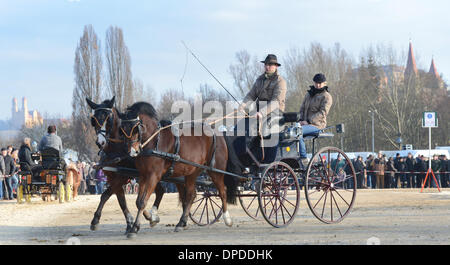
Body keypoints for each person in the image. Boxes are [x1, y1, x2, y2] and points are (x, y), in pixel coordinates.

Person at [233, 54, 287, 168]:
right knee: (238, 128)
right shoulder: (260, 79)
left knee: (252, 131)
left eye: (271, 65)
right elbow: (251, 95)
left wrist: (261, 112)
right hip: (258, 112)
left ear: (276, 66)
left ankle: (253, 159)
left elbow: (276, 102)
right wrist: (243, 105)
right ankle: (238, 157)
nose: (268, 67)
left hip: (274, 113)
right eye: (266, 64)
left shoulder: (280, 81)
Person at [298, 73, 333, 165]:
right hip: (305, 124)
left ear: (324, 83)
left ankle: (304, 158)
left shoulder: (327, 96)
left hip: (317, 125)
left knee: (298, 132)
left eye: (320, 83)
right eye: (316, 83)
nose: (318, 85)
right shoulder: (308, 95)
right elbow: (301, 109)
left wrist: (308, 121)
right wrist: (300, 120)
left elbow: (323, 113)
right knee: (290, 132)